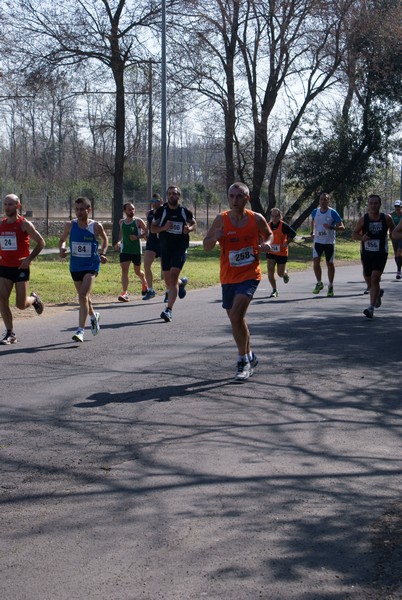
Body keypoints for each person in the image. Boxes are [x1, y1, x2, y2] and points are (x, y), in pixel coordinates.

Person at [203, 182, 273, 382]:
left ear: (247, 199)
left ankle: (243, 361)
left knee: (236, 315)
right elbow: (206, 247)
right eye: (231, 196)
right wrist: (214, 237)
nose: (235, 200)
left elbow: (268, 234)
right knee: (237, 320)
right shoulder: (221, 220)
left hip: (250, 274)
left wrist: (266, 244)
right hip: (228, 276)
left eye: (239, 196)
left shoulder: (256, 218)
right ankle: (250, 355)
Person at [59, 196, 108, 342]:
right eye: (77, 209)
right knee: (85, 298)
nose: (79, 212)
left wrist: (103, 254)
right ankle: (93, 316)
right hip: (75, 266)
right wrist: (62, 250)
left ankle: (80, 330)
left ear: (89, 210)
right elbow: (62, 240)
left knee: (82, 296)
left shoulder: (96, 226)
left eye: (82, 209)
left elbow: (105, 240)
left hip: (91, 266)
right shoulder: (70, 225)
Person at [0, 194, 45, 345]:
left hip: (20, 268)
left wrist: (29, 259)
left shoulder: (24, 224)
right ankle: (10, 333)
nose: (7, 207)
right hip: (5, 267)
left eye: (11, 204)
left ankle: (34, 299)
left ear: (18, 206)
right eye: (5, 204)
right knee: (1, 298)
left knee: (20, 304)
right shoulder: (2, 224)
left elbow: (41, 242)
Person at [151, 185, 196, 322]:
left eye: (175, 193)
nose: (172, 196)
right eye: (170, 193)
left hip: (180, 248)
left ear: (179, 196)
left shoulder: (184, 211)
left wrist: (189, 229)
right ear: (167, 196)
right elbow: (152, 229)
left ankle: (168, 310)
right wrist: (164, 227)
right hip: (165, 248)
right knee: (169, 281)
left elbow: (193, 223)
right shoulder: (161, 211)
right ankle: (181, 283)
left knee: (173, 275)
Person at [352, 194, 394, 319]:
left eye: (376, 203)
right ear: (368, 205)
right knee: (368, 278)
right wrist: (362, 237)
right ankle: (377, 293)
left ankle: (370, 308)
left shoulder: (386, 218)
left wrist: (393, 238)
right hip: (367, 253)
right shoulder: (363, 219)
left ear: (380, 205)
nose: (373, 205)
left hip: (381, 253)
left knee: (375, 278)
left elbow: (394, 230)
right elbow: (354, 235)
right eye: (371, 203)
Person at [310, 192, 345, 297]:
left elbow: (342, 227)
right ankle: (319, 283)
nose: (323, 201)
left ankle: (330, 286)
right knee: (316, 261)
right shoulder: (315, 212)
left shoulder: (332, 213)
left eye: (325, 199)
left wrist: (331, 227)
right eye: (321, 199)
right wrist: (312, 232)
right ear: (319, 201)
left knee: (329, 264)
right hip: (318, 241)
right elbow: (313, 221)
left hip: (329, 242)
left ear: (328, 201)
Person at [114, 202, 148, 302]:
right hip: (125, 250)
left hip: (136, 250)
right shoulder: (121, 222)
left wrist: (137, 237)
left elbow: (147, 232)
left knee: (137, 271)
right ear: (125, 211)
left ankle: (144, 282)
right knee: (124, 271)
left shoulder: (138, 221)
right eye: (129, 209)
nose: (132, 211)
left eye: (133, 209)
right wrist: (119, 241)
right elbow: (121, 233)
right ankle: (125, 293)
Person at [266, 208, 296, 297]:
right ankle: (274, 290)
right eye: (273, 216)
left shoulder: (283, 226)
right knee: (270, 270)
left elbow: (293, 234)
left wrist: (287, 242)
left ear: (280, 217)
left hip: (281, 253)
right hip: (271, 252)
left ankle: (285, 273)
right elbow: (263, 235)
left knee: (280, 274)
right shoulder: (267, 225)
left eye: (276, 216)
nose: (274, 218)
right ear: (271, 216)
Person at [143, 193, 164, 300]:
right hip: (152, 242)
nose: (153, 203)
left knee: (165, 270)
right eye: (152, 201)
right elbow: (148, 225)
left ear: (161, 202)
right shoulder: (149, 213)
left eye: (156, 201)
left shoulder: (165, 212)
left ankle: (176, 286)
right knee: (146, 265)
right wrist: (145, 233)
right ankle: (150, 290)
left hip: (163, 242)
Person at [388, 200, 402, 279]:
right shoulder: (391, 215)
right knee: (396, 253)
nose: (397, 208)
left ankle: (398, 271)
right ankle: (399, 266)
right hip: (394, 236)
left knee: (399, 252)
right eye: (396, 206)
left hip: (401, 236)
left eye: (398, 206)